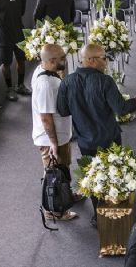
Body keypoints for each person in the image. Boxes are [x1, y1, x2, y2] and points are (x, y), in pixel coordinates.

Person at [57, 44, 136, 227]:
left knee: (93, 176)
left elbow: (62, 111)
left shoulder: (67, 82)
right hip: (109, 138)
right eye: (104, 58)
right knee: (112, 174)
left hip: (85, 141)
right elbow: (122, 109)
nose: (107, 61)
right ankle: (115, 212)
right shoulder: (105, 81)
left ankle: (98, 215)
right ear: (91, 60)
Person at [31, 44, 81, 221]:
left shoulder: (41, 70)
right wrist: (53, 142)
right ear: (51, 61)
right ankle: (54, 211)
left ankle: (66, 194)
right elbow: (45, 117)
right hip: (52, 139)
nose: (65, 60)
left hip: (59, 136)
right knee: (53, 174)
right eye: (62, 58)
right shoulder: (46, 84)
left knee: (62, 169)